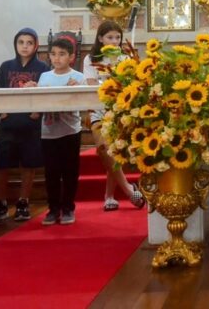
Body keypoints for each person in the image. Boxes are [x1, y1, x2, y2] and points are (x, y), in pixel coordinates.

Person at [0, 28, 49, 223]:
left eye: (29, 43)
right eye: (21, 42)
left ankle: (23, 202)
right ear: (15, 44)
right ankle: (1, 203)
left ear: (36, 45)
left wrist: (38, 112)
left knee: (28, 164)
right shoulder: (6, 66)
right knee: (1, 164)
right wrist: (2, 112)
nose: (25, 46)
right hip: (8, 124)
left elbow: (46, 94)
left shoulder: (43, 68)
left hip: (31, 124)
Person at [82, 21, 145, 211]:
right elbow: (92, 84)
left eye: (117, 37)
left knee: (115, 151)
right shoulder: (90, 58)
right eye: (110, 37)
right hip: (98, 109)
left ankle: (109, 196)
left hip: (119, 109)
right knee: (103, 148)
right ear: (100, 38)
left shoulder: (124, 58)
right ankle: (128, 189)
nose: (114, 41)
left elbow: (131, 84)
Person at [37, 38, 86, 225]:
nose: (57, 58)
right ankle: (53, 209)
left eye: (62, 54)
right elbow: (39, 102)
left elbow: (83, 103)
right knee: (51, 173)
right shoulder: (44, 77)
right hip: (48, 132)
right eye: (53, 54)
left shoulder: (78, 77)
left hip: (70, 131)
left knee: (70, 172)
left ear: (71, 57)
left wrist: (77, 90)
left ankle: (68, 208)